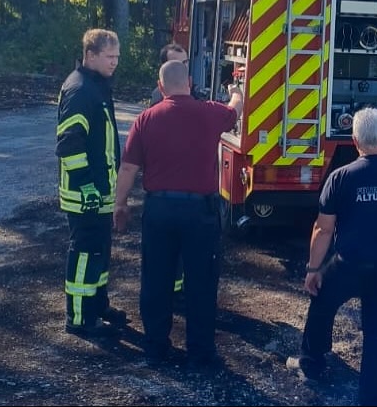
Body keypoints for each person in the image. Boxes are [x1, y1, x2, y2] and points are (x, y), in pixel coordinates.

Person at [286, 107, 377, 406]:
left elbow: (323, 230)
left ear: (354, 139)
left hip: (348, 265)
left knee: (322, 303)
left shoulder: (341, 177)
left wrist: (313, 269)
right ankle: (371, 396)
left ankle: (311, 364)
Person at [113, 59, 243, 366]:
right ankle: (200, 351)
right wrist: (237, 90)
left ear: (160, 87)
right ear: (190, 84)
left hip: (159, 209)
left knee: (156, 278)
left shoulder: (145, 119)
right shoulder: (209, 112)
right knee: (201, 281)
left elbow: (129, 166)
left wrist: (120, 204)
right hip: (200, 213)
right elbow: (235, 109)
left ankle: (156, 345)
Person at [55, 28, 128, 338]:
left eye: (117, 57)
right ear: (91, 55)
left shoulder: (96, 85)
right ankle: (80, 317)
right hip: (84, 195)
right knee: (85, 252)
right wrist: (86, 186)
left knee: (99, 251)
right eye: (110, 57)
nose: (115, 62)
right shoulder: (80, 90)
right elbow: (69, 144)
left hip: (99, 192)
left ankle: (98, 305)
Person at [149, 42, 188, 306]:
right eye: (175, 64)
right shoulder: (158, 100)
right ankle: (171, 292)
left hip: (183, 188)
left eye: (185, 64)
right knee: (169, 248)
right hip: (168, 190)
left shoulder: (186, 94)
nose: (181, 69)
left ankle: (176, 288)